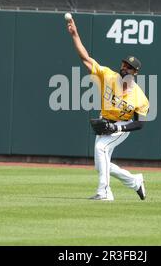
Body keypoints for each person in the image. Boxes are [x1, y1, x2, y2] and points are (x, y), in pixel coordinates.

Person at [66, 16, 149, 201]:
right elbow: (85, 59)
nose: (124, 67)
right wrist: (75, 35)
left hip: (122, 125)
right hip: (105, 121)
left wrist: (118, 128)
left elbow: (140, 124)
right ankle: (135, 182)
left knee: (102, 149)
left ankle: (104, 192)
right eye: (124, 64)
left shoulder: (139, 97)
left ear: (135, 72)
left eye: (129, 67)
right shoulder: (108, 76)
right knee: (100, 164)